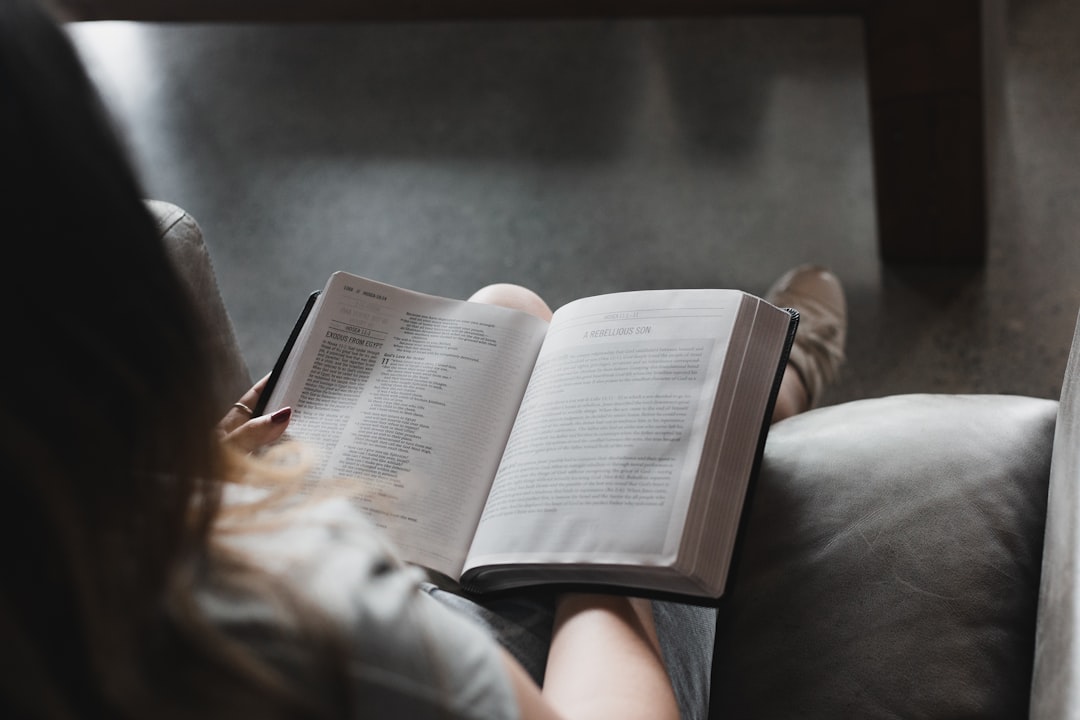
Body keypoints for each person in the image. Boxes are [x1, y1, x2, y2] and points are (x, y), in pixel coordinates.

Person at [0, 0, 847, 717]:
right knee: (633, 475)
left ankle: (752, 395)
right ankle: (769, 390)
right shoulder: (298, 608)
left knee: (505, 313)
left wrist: (199, 480)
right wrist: (596, 550)